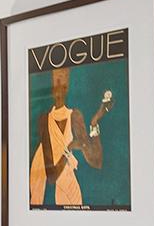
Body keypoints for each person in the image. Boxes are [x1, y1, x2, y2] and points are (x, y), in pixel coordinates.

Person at [29, 66, 111, 208]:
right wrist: (69, 147)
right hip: (45, 191)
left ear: (68, 87)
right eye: (56, 84)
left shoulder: (75, 116)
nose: (59, 89)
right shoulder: (44, 120)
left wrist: (94, 121)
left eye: (63, 84)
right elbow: (51, 176)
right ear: (52, 88)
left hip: (69, 185)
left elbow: (96, 161)